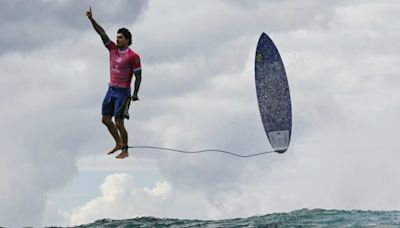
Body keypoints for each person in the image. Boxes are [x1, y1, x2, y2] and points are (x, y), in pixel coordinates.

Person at [86, 6, 142, 159]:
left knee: (119, 122)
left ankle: (125, 149)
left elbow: (138, 76)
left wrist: (135, 93)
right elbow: (102, 33)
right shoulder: (112, 49)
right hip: (111, 89)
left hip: (123, 93)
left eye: (121, 38)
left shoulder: (133, 56)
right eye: (117, 37)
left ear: (128, 40)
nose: (117, 39)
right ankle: (118, 143)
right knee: (105, 119)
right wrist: (92, 19)